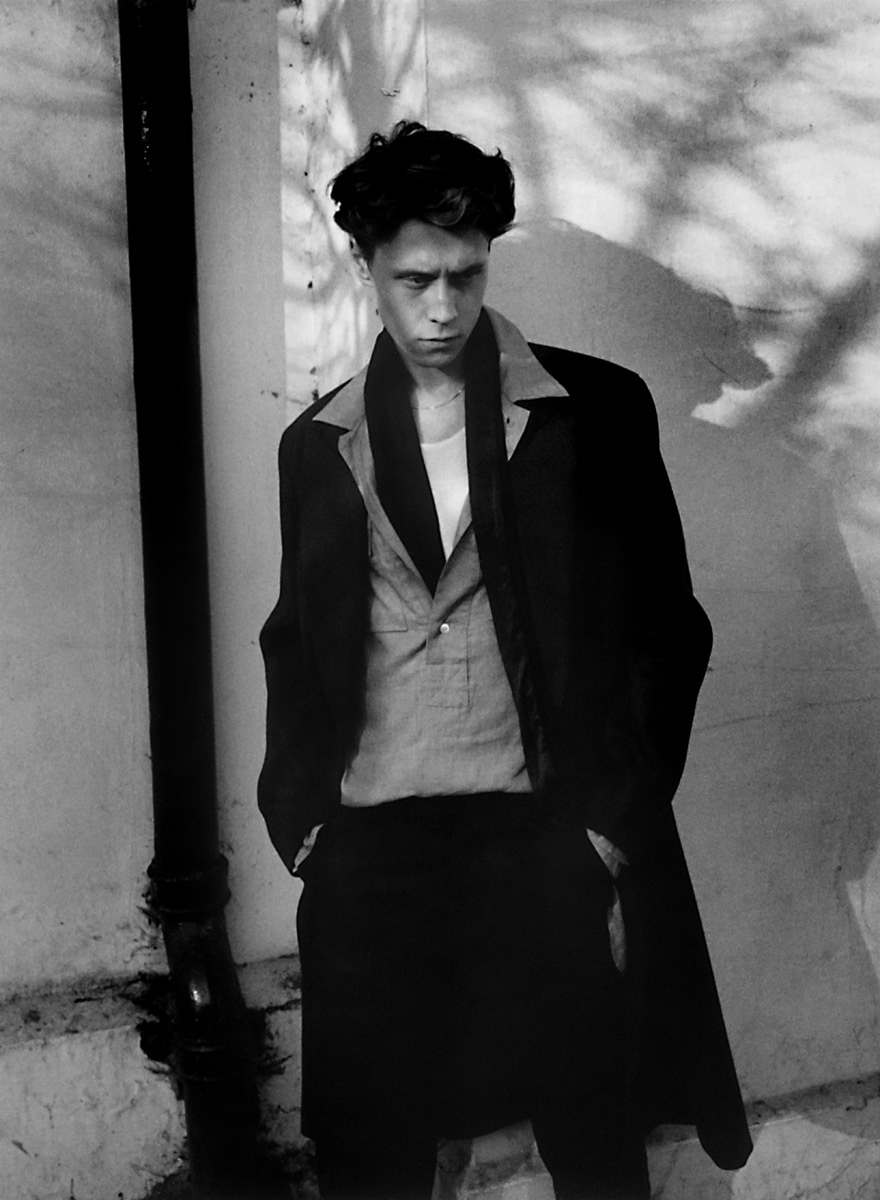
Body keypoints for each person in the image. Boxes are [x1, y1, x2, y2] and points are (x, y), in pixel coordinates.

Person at [258, 121, 752, 1200]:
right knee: (373, 1145)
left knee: (593, 1128)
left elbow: (666, 628)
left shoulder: (590, 412)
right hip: (370, 840)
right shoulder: (318, 443)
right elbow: (298, 637)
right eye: (414, 280)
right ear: (365, 267)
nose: (443, 309)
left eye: (466, 275)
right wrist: (300, 818)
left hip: (542, 830)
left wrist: (610, 822)